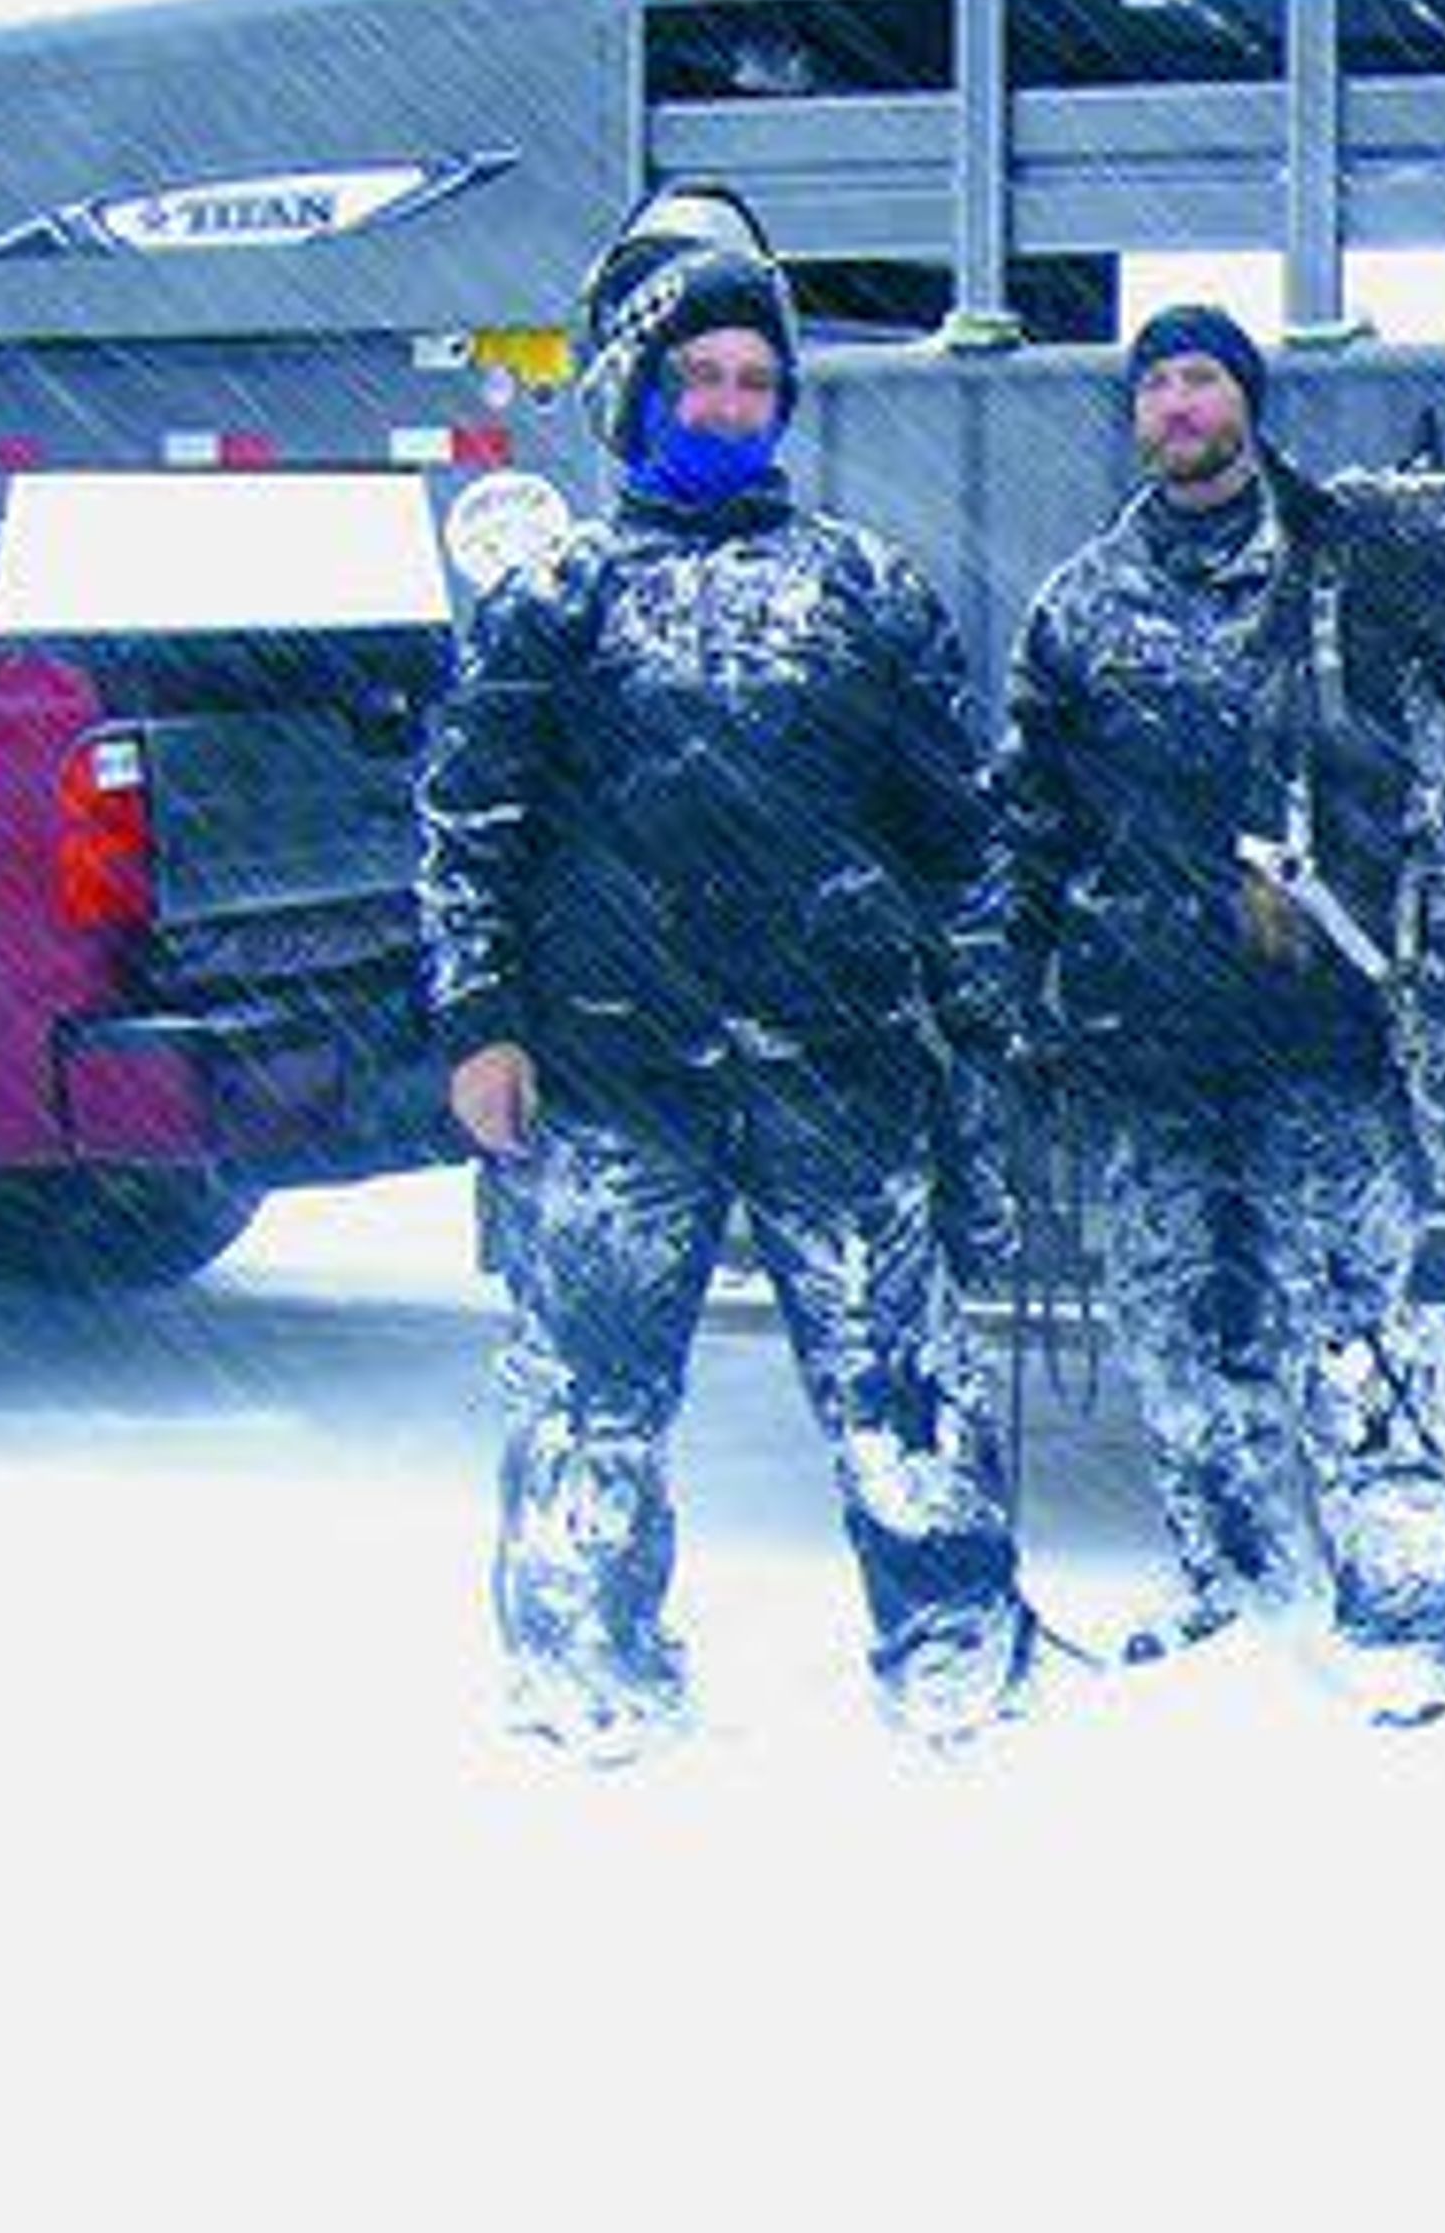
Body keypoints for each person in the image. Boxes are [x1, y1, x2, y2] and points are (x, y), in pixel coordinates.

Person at [417, 181, 1038, 1764]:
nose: (731, 406)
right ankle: (582, 1653)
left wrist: (981, 1014)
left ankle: (953, 1637)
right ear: (637, 387)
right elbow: (470, 825)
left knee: (898, 1382)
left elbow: (953, 831)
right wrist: (482, 1025)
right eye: (702, 378)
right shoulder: (556, 597)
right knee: (590, 1400)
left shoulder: (864, 589)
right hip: (619, 1073)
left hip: (839, 1068)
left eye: (758, 384)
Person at [984, 303, 1445, 1724]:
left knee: (1357, 1324)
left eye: (1201, 377)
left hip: (1324, 1033)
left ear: (1248, 403)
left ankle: (1408, 1615)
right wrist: (1017, 996)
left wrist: (1434, 939)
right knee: (1178, 1330)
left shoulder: (1354, 576)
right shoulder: (1081, 604)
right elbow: (1028, 822)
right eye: (1154, 383)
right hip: (1148, 1041)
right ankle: (1238, 1589)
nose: (1176, 403)